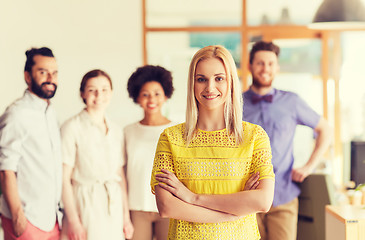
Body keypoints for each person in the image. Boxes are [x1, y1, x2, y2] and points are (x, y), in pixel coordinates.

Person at [150, 45, 275, 240]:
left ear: (231, 83)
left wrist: (192, 198)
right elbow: (167, 206)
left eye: (219, 78)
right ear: (192, 84)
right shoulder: (171, 138)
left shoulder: (254, 137)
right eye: (201, 79)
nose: (210, 87)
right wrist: (234, 211)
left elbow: (263, 201)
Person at [243, 41, 332, 240]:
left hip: (283, 197)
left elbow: (325, 129)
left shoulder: (292, 102)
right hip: (245, 198)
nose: (265, 68)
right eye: (260, 63)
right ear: (249, 65)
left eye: (270, 63)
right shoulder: (235, 104)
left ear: (277, 67)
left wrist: (309, 166)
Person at [60, 70, 134, 240]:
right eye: (92, 90)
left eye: (104, 89)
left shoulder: (116, 130)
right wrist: (74, 221)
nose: (99, 95)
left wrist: (126, 217)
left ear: (111, 92)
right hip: (85, 204)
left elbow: (120, 176)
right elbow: (64, 179)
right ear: (82, 94)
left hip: (113, 206)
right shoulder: (72, 127)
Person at [0, 47, 62, 240]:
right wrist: (18, 216)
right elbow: (5, 169)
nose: (50, 78)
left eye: (54, 73)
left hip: (51, 218)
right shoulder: (16, 114)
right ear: (27, 76)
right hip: (26, 219)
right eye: (43, 72)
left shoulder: (51, 113)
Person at [124, 65, 176, 240]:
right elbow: (123, 172)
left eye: (156, 93)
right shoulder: (128, 131)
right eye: (145, 94)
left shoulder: (176, 131)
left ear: (166, 95)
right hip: (137, 206)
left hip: (169, 205)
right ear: (137, 97)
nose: (151, 99)